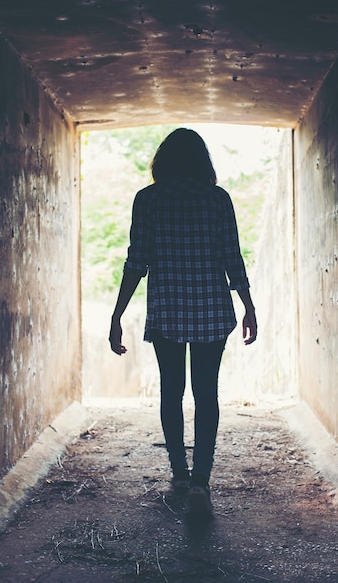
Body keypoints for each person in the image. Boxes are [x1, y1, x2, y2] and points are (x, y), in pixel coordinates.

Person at [109, 128, 257, 516]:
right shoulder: (217, 199)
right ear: (201, 161)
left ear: (164, 160)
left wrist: (117, 312)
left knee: (171, 392)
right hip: (211, 311)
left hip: (167, 310)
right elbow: (232, 257)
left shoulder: (148, 200)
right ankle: (200, 484)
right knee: (207, 394)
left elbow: (136, 261)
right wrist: (248, 305)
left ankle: (178, 472)